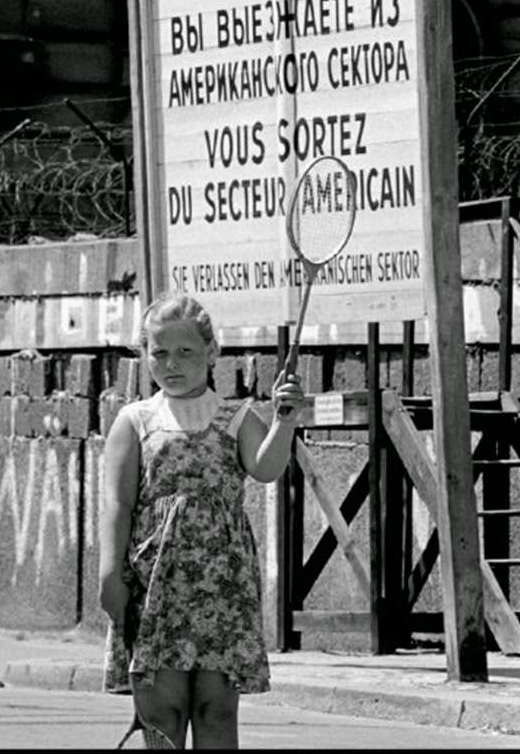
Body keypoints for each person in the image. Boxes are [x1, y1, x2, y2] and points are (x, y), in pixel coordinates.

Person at [99, 290, 305, 749]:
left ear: (212, 353)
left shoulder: (237, 417)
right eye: (160, 353)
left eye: (186, 351)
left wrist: (285, 419)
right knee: (161, 711)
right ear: (145, 356)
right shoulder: (135, 420)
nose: (172, 363)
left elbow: (267, 469)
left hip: (223, 589)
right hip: (155, 589)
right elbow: (118, 504)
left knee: (216, 711)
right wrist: (110, 575)